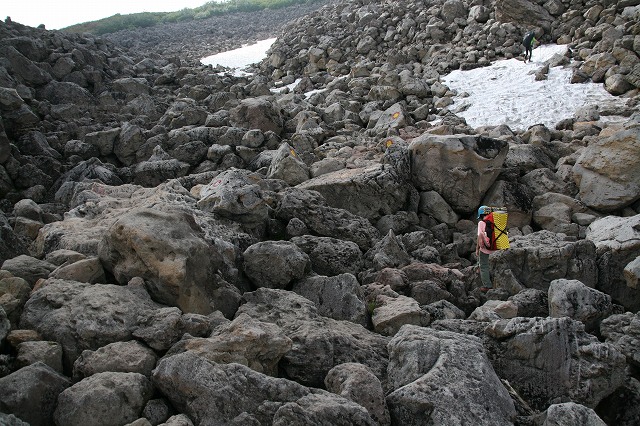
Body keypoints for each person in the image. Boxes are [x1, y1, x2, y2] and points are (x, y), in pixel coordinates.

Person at [476, 205, 494, 292]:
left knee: (484, 266)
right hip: (496, 247)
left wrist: (477, 249)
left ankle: (487, 286)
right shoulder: (496, 221)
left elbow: (480, 237)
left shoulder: (481, 223)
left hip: (486, 249)